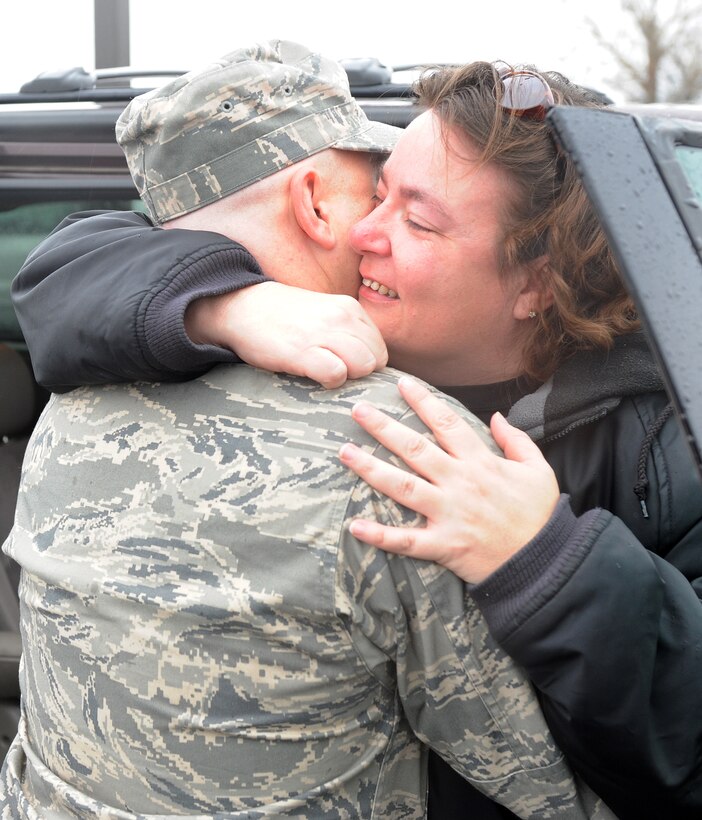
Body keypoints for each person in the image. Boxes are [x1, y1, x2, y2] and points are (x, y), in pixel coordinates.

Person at [12, 58, 702, 820]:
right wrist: (223, 305)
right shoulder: (340, 371)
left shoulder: (674, 433)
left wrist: (545, 562)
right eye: (377, 192)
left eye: (415, 218)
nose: (362, 233)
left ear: (537, 284)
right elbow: (69, 267)